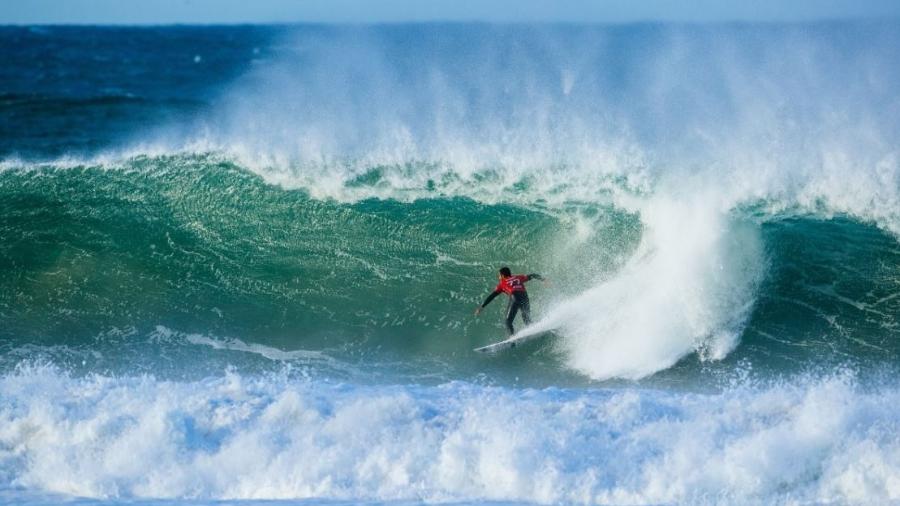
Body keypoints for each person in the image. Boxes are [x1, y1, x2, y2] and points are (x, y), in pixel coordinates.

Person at [475, 266, 545, 335]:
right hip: (524, 297)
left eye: (499, 275)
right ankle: (537, 329)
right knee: (526, 319)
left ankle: (512, 338)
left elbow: (492, 296)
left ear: (502, 276)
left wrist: (482, 307)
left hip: (515, 297)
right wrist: (544, 280)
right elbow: (532, 275)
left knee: (508, 322)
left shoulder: (502, 283)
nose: (498, 277)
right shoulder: (518, 277)